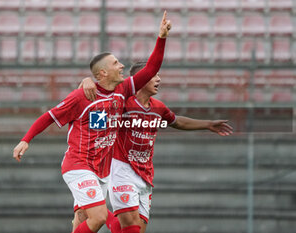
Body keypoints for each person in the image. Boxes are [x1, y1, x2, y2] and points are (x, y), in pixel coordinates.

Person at [12, 11, 172, 233]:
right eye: (116, 63)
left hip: (102, 169)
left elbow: (151, 68)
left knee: (83, 219)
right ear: (104, 72)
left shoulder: (122, 90)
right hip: (78, 164)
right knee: (97, 217)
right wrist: (25, 140)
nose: (122, 65)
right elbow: (49, 116)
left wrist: (161, 37)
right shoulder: (81, 97)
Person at [80, 62, 233, 233]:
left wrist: (208, 124)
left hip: (145, 174)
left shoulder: (158, 108)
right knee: (131, 227)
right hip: (120, 168)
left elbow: (178, 121)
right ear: (141, 79)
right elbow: (96, 115)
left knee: (134, 228)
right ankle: (95, 210)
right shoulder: (121, 102)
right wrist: (88, 82)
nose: (159, 79)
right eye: (154, 75)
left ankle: (97, 211)